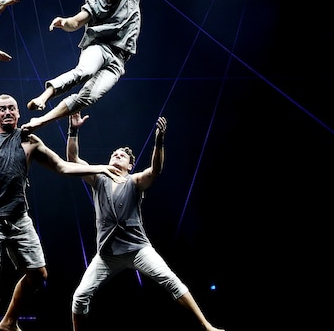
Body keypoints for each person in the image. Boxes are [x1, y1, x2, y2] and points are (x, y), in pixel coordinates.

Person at [0, 91, 126, 331]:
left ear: (18, 113)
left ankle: (8, 322)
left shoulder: (30, 141)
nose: (7, 112)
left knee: (39, 275)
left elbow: (62, 166)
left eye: (11, 108)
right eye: (2, 109)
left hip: (18, 218)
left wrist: (102, 168)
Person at [65, 112, 224, 331]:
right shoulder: (98, 178)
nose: (117, 155)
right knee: (80, 296)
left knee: (170, 280)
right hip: (107, 254)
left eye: (122, 155)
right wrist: (74, 129)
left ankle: (207, 326)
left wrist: (159, 141)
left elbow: (155, 169)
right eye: (115, 153)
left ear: (130, 165)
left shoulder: (134, 180)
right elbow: (73, 160)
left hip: (138, 249)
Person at [20, 0, 157, 134]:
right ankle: (44, 96)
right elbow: (77, 21)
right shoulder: (98, 1)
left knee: (88, 97)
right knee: (84, 72)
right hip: (99, 48)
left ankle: (40, 121)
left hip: (119, 60)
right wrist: (64, 22)